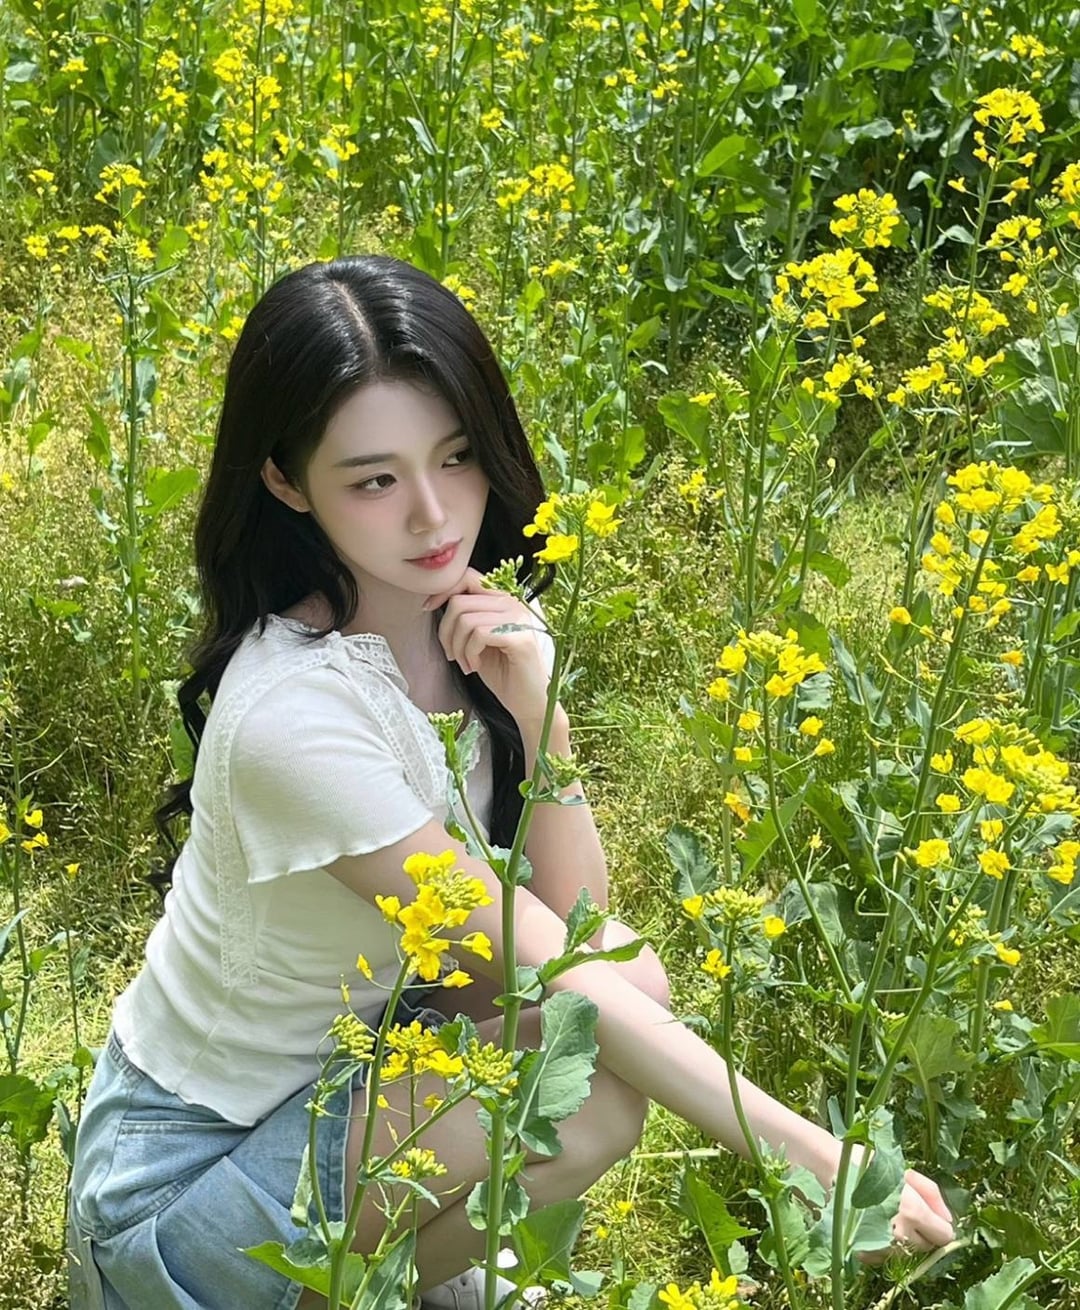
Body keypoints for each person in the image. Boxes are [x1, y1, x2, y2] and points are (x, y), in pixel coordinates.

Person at [67, 254, 955, 1310]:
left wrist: (542, 719)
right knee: (588, 1086)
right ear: (285, 481)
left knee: (628, 991)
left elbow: (581, 937)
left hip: (354, 1086)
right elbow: (550, 966)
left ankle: (381, 1278)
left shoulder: (469, 631)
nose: (435, 516)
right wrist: (813, 1159)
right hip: (183, 1185)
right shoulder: (293, 718)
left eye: (456, 457)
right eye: (375, 480)